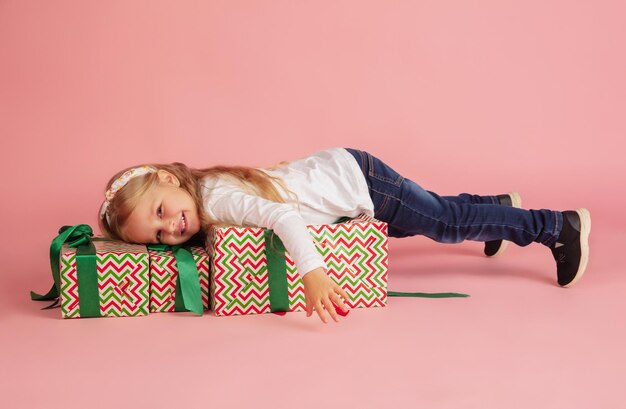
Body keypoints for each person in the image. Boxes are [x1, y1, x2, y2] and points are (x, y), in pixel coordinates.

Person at [98, 147, 591, 324]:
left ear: (167, 178)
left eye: (162, 213)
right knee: (432, 214)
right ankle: (498, 211)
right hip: (349, 180)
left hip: (360, 184)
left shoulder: (217, 199)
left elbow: (285, 220)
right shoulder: (200, 192)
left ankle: (556, 227)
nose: (171, 229)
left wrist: (312, 273)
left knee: (443, 223)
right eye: (159, 237)